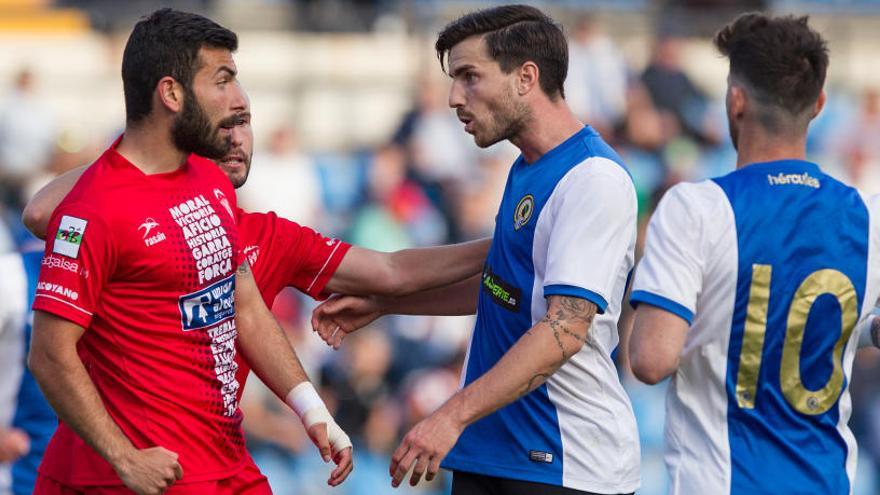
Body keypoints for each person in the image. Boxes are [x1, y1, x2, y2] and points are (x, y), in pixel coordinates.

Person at [19, 85, 490, 494]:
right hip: (110, 462)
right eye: (221, 126)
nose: (235, 138)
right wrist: (138, 153)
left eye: (244, 123)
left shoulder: (269, 236)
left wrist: (505, 242)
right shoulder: (117, 211)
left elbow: (390, 271)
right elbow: (40, 214)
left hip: (206, 460)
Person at [313, 5, 640, 494]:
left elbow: (565, 329)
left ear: (526, 77)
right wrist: (386, 305)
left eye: (469, 76)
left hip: (563, 462)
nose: (453, 97)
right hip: (495, 453)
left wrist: (451, 414)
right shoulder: (528, 168)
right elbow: (504, 285)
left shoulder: (593, 178)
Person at [27, 9, 354, 495]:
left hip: (224, 461)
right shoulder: (93, 208)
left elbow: (241, 301)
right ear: (171, 94)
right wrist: (125, 458)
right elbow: (49, 354)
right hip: (147, 474)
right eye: (222, 81)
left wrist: (311, 408)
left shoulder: (208, 180)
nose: (238, 99)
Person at [628, 13, 875, 494]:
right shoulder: (866, 215)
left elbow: (651, 360)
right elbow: (809, 319)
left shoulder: (694, 206)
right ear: (819, 103)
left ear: (736, 101)